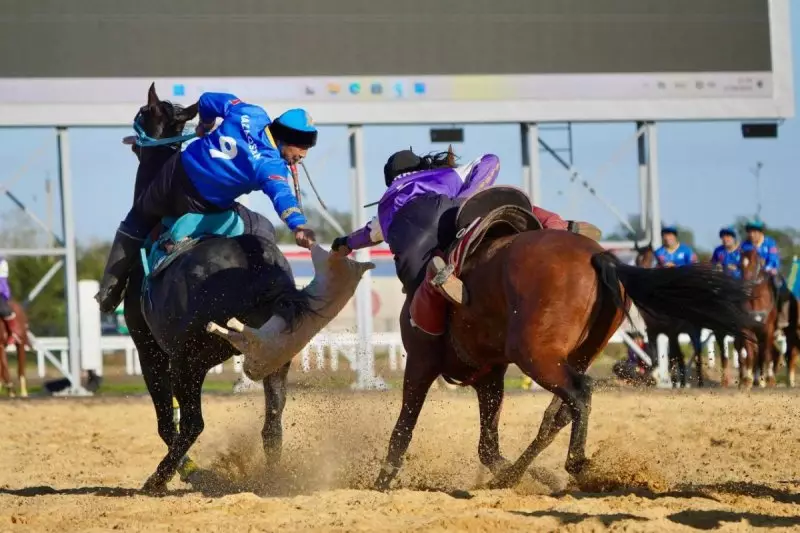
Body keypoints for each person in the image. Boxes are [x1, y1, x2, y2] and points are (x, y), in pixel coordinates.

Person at [331, 148, 598, 337]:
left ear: (391, 179)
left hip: (410, 249)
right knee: (499, 202)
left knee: (421, 317)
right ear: (420, 167)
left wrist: (344, 243)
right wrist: (468, 197)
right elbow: (490, 160)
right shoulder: (441, 176)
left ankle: (438, 278)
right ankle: (558, 226)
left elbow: (365, 235)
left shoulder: (386, 204)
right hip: (447, 215)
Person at [95, 92, 319, 313]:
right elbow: (282, 196)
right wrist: (298, 225)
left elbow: (208, 100)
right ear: (284, 138)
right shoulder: (271, 166)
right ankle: (272, 296)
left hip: (171, 178)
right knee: (262, 227)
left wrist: (204, 124)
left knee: (138, 219)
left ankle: (109, 293)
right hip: (200, 206)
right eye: (301, 146)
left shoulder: (250, 113)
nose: (303, 155)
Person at [741, 219, 788, 328]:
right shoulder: (745, 245)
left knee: (781, 286)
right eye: (750, 232)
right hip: (749, 276)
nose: (752, 235)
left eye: (755, 232)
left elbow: (774, 258)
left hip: (768, 273)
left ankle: (782, 315)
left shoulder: (769, 242)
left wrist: (768, 268)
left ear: (760, 233)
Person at [0, 256, 22, 344]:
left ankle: (14, 332)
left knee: (2, 308)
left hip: (0, 289)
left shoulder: (2, 262)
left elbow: (2, 277)